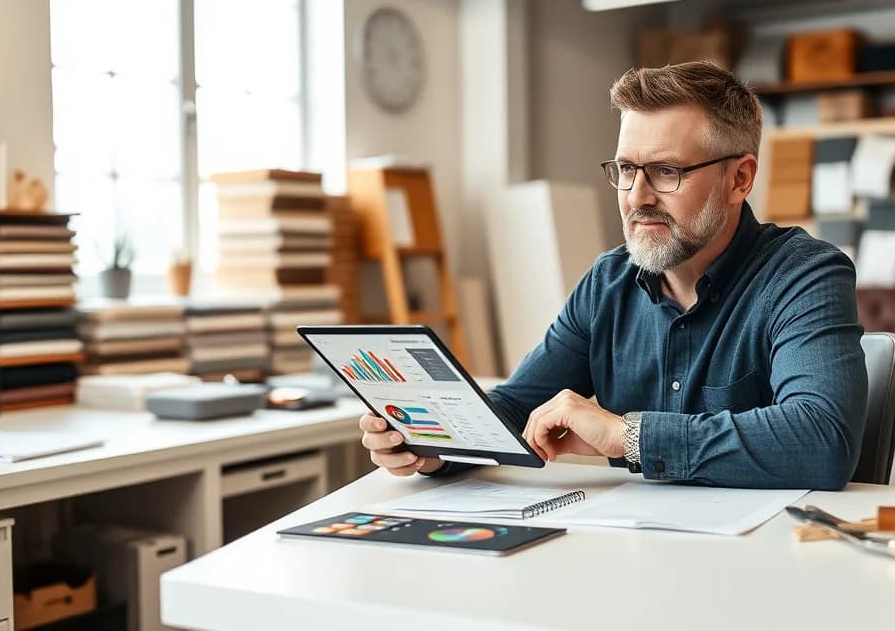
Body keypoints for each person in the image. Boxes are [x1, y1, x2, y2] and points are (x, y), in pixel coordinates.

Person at [358, 61, 867, 490]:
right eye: (626, 170)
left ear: (740, 178)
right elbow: (515, 406)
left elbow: (822, 441)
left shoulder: (804, 275)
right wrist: (437, 445)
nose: (637, 196)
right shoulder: (607, 285)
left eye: (667, 171)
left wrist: (631, 437)